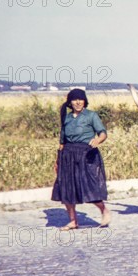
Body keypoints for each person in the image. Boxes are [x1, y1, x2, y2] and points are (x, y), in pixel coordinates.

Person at [52, 88, 111, 230]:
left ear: (84, 101)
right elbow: (62, 142)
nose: (78, 102)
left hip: (86, 154)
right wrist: (58, 160)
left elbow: (103, 133)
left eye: (80, 99)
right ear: (70, 102)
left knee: (89, 186)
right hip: (68, 155)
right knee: (66, 189)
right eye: (74, 99)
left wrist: (98, 140)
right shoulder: (66, 118)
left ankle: (104, 211)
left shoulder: (91, 116)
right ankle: (73, 221)